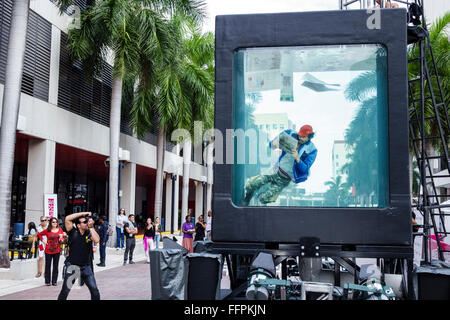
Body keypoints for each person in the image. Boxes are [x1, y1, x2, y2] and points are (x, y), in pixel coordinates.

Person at [242, 124, 317, 205]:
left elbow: (304, 169)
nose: (300, 138)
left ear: (309, 137)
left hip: (284, 179)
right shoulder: (290, 133)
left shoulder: (312, 150)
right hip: (275, 170)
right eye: (300, 136)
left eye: (303, 137)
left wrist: (297, 158)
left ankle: (261, 194)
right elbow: (271, 145)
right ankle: (248, 197)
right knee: (252, 185)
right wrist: (274, 143)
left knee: (264, 199)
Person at [58, 212, 100, 300]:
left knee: (94, 290)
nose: (87, 223)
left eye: (87, 221)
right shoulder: (73, 232)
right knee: (65, 290)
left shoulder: (89, 232)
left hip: (86, 267)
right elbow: (67, 218)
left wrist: (91, 227)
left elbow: (96, 240)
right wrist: (84, 213)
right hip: (73, 267)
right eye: (84, 222)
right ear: (78, 225)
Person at [37, 217, 65, 286]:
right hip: (48, 250)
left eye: (56, 222)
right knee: (48, 266)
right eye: (53, 222)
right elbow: (39, 234)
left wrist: (62, 239)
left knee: (55, 266)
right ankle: (47, 281)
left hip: (57, 250)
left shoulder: (60, 230)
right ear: (50, 223)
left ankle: (54, 281)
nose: (55, 223)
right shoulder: (48, 230)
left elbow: (63, 239)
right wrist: (43, 240)